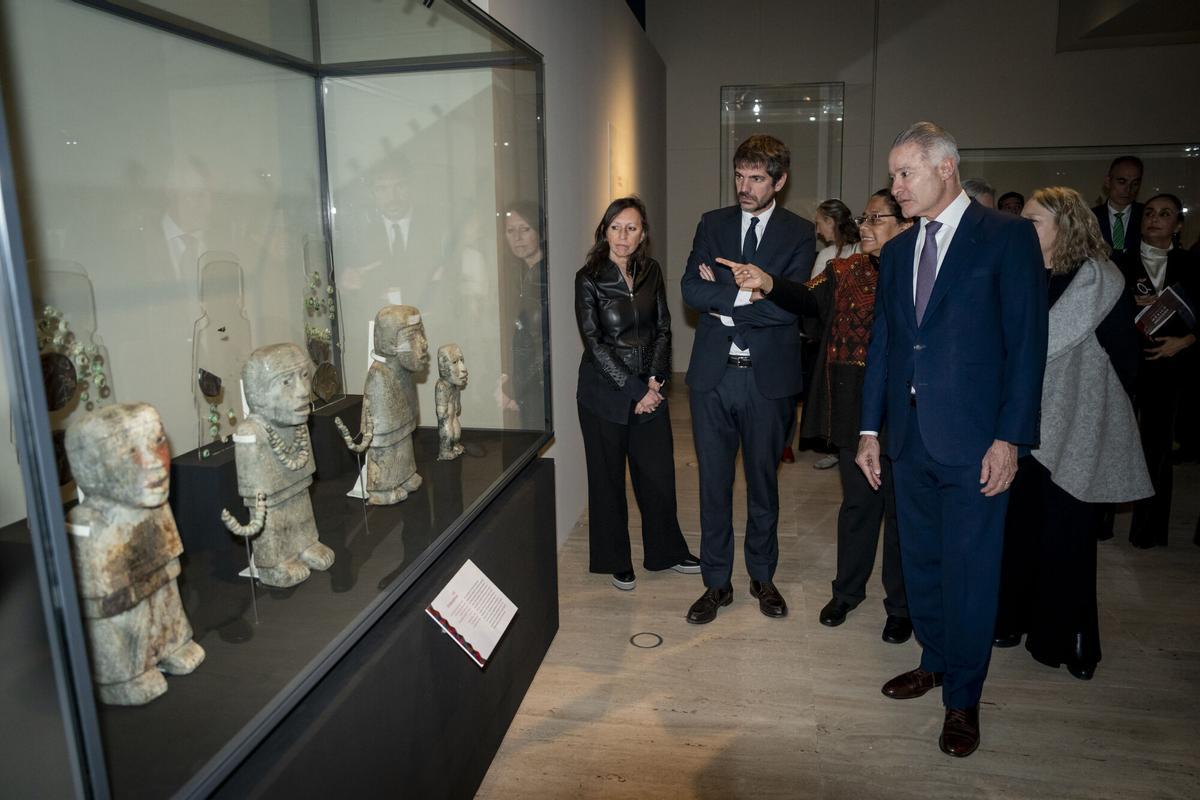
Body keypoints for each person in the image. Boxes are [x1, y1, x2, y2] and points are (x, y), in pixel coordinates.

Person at [856, 122, 1047, 758]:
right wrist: (868, 430)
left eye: (904, 174)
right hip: (908, 441)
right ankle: (935, 660)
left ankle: (963, 698)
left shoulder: (1007, 237)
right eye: (892, 175)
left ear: (946, 169)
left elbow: (1027, 348)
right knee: (923, 565)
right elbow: (885, 344)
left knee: (971, 574)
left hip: (974, 444)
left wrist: (1009, 439)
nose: (895, 187)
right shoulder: (902, 248)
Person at [710, 189, 912, 643]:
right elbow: (803, 297)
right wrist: (767, 281)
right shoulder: (843, 271)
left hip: (905, 408)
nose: (865, 226)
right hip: (852, 403)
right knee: (858, 505)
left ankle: (901, 606)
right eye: (864, 217)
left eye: (877, 219)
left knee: (902, 514)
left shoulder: (921, 274)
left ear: (906, 225)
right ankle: (847, 593)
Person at [994, 187, 1150, 681]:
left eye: (1034, 221)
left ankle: (1068, 637)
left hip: (1077, 429)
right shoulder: (1019, 276)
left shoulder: (1101, 281)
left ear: (1067, 226)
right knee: (1018, 532)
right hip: (1020, 427)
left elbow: (1127, 361)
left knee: (1069, 538)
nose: (1024, 228)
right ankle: (1011, 620)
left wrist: (1091, 409)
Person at [680, 134, 816, 623]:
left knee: (763, 485)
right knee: (713, 487)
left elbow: (791, 309)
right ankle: (717, 584)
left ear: (779, 180)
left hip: (768, 381)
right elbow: (691, 289)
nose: (744, 186)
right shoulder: (712, 224)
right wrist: (745, 297)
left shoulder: (799, 232)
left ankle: (762, 576)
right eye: (739, 175)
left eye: (756, 178)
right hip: (712, 380)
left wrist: (731, 301)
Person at [575, 197, 700, 590]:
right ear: (604, 231)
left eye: (631, 228)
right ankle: (615, 559)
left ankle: (666, 551)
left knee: (658, 475)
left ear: (643, 233)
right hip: (604, 395)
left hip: (649, 388)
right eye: (616, 227)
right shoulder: (588, 278)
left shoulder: (652, 272)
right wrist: (634, 390)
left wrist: (655, 380)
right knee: (608, 480)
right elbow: (595, 344)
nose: (623, 236)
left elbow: (663, 327)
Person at [1118, 193, 1199, 548]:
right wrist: (1125, 306)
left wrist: (1184, 341)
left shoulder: (1191, 263)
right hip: (1123, 365)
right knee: (1113, 443)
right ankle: (1100, 524)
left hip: (1169, 366)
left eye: (1165, 214)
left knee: (1157, 448)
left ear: (1178, 225)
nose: (1155, 219)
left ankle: (1148, 531)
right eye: (1149, 213)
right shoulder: (1119, 261)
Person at [791, 199, 862, 469]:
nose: (818, 230)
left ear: (831, 222)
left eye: (820, 223)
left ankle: (840, 447)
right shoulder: (862, 251)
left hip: (833, 339)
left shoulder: (828, 257)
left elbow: (811, 298)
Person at [501, 201, 549, 432]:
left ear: (540, 232)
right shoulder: (513, 274)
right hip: (523, 383)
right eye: (511, 231)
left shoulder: (547, 276)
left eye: (525, 229)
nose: (517, 237)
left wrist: (515, 390)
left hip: (540, 386)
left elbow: (545, 344)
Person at [1092, 156, 1144, 256]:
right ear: (1108, 181)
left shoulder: (1147, 216)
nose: (1128, 189)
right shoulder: (1090, 217)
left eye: (1135, 183)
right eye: (1122, 182)